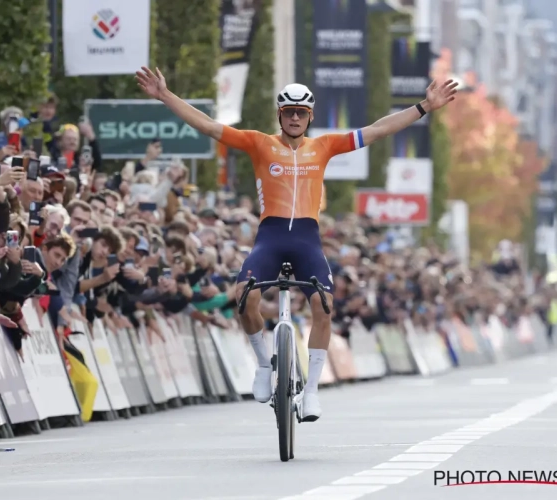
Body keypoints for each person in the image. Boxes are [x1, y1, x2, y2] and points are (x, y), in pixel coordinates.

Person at [136, 65, 458, 421]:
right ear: (279, 114)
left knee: (324, 305)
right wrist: (165, 95)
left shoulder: (323, 146)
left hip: (307, 240)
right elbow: (209, 126)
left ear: (310, 116)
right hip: (270, 237)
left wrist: (424, 108)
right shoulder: (260, 143)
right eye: (287, 112)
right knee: (246, 297)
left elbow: (378, 131)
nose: (293, 118)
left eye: (300, 113)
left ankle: (312, 391)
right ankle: (263, 364)